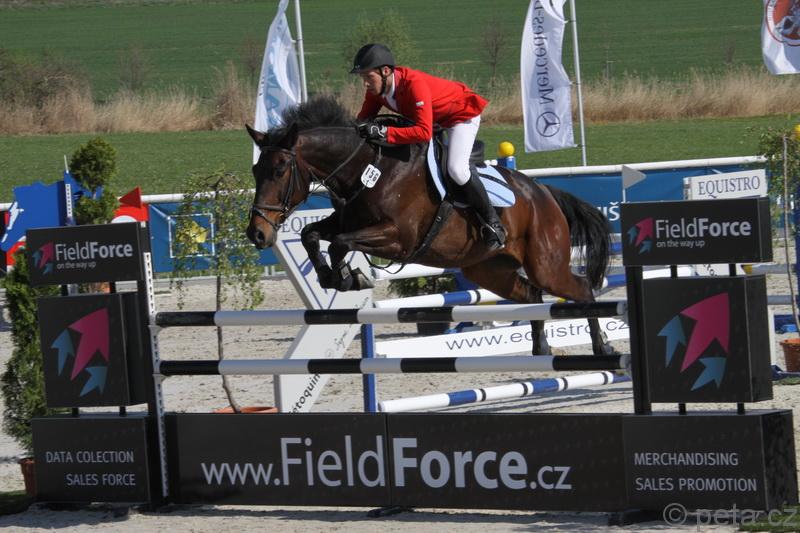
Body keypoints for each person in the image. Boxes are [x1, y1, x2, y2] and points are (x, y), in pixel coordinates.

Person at [351, 43, 506, 251]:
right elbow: (362, 121)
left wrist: (384, 132)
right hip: (435, 122)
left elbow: (423, 132)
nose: (365, 84)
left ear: (385, 71)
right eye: (363, 78)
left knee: (457, 170)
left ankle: (493, 223)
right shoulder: (375, 91)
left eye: (368, 77)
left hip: (460, 116)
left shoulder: (413, 84)